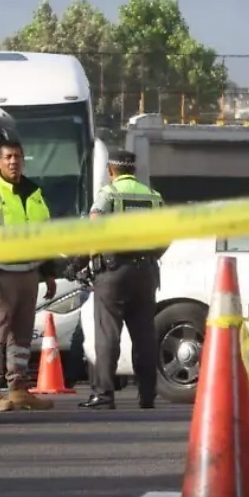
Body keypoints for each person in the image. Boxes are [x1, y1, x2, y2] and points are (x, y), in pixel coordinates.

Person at [0, 138, 58, 413]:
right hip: (0, 273)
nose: (13, 161)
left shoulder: (33, 191)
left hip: (29, 271)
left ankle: (18, 389)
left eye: (17, 156)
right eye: (8, 157)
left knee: (21, 334)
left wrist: (49, 272)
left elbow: (45, 233)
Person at [79, 149, 167, 411]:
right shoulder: (153, 197)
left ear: (110, 171)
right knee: (144, 335)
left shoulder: (108, 195)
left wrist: (84, 261)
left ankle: (104, 395)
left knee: (108, 334)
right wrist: (152, 255)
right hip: (146, 273)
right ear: (134, 170)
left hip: (114, 272)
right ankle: (148, 395)